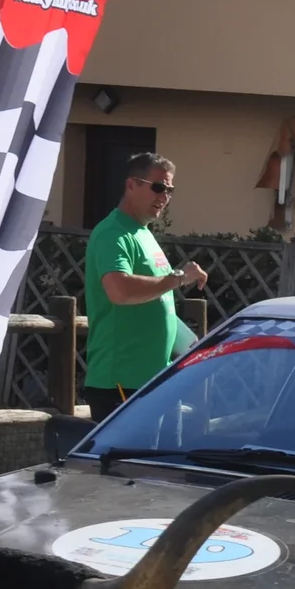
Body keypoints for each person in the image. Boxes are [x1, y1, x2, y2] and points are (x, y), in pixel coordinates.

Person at [82, 154, 206, 419]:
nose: (164, 196)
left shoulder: (142, 233)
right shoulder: (113, 233)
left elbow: (157, 298)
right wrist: (179, 278)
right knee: (127, 461)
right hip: (121, 381)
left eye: (170, 190)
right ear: (131, 185)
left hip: (151, 380)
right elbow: (120, 290)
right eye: (158, 187)